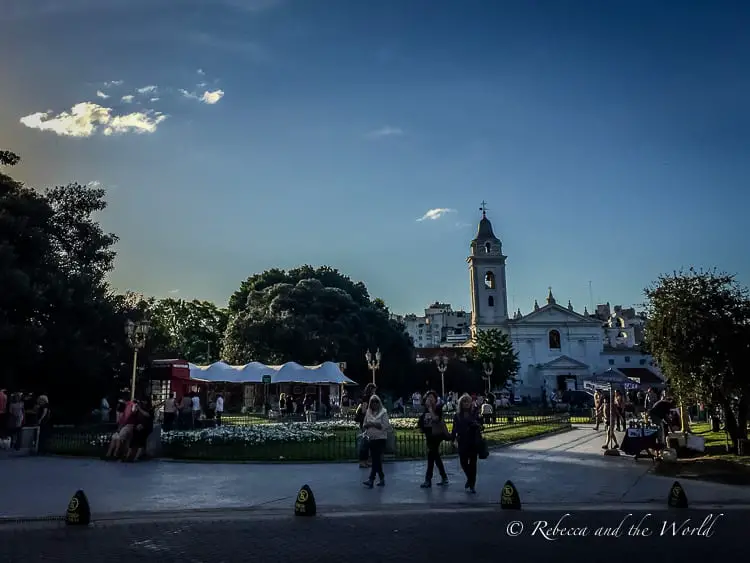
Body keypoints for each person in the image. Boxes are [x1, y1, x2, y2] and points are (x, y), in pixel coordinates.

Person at [451, 393, 482, 494]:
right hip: (462, 441)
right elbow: (454, 428)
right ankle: (469, 478)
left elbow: (480, 424)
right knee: (463, 462)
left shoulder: (474, 413)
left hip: (473, 441)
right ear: (461, 403)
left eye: (468, 401)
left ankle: (472, 484)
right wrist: (453, 438)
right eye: (464, 401)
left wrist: (477, 425)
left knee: (473, 464)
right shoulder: (457, 415)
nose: (466, 403)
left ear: (470, 403)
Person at [419, 390, 449, 488]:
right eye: (428, 397)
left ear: (436, 399)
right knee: (435, 456)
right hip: (429, 436)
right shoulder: (425, 409)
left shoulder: (438, 408)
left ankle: (428, 480)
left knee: (431, 456)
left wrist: (430, 409)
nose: (430, 398)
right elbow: (423, 422)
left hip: (437, 435)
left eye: (432, 397)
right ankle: (444, 477)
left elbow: (436, 419)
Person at [361, 394, 391, 489]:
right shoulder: (368, 413)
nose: (374, 404)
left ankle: (371, 479)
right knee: (376, 459)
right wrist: (369, 425)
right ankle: (381, 478)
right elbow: (364, 424)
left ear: (379, 403)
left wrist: (373, 424)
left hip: (380, 438)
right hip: (371, 438)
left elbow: (385, 425)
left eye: (376, 402)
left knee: (375, 459)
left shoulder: (383, 412)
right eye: (372, 402)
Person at [354, 383, 377, 468]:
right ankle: (362, 461)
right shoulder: (366, 398)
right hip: (365, 421)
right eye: (374, 389)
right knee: (364, 442)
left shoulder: (370, 398)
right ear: (371, 389)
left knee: (368, 442)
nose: (375, 391)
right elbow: (364, 410)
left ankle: (366, 460)